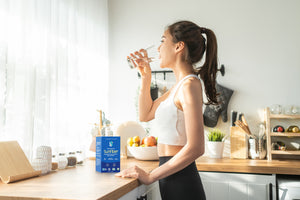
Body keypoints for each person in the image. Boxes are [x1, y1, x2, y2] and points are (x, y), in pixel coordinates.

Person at [116, 20, 218, 200]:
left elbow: (196, 147)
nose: (158, 48)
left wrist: (150, 176)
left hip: (182, 180)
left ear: (179, 46)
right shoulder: (177, 87)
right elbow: (145, 114)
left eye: (163, 41)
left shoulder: (189, 85)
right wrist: (145, 77)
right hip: (171, 176)